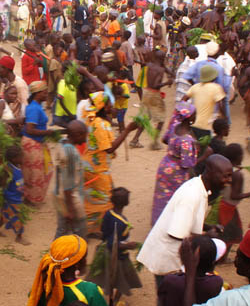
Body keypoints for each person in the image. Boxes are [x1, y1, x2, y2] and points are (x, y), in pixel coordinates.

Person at [138, 155, 233, 306]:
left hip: (175, 253)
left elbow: (188, 222)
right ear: (211, 173)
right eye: (226, 176)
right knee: (167, 296)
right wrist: (207, 237)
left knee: (166, 296)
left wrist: (207, 228)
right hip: (167, 254)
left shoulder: (201, 189)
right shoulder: (192, 195)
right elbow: (176, 233)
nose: (229, 181)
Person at [24, 234, 108, 306]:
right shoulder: (91, 291)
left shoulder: (44, 286)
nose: (86, 261)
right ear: (77, 264)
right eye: (85, 258)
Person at [83, 91, 139, 235]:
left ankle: (92, 228)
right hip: (97, 169)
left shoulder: (95, 120)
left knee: (95, 199)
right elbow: (109, 149)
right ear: (103, 107)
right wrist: (126, 130)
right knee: (105, 200)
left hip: (95, 166)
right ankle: (87, 230)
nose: (113, 107)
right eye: (110, 104)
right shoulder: (99, 124)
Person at [87, 187, 142, 306]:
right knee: (123, 279)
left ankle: (104, 298)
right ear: (126, 202)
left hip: (105, 250)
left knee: (109, 277)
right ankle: (115, 303)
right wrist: (128, 245)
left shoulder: (108, 214)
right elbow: (114, 243)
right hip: (118, 256)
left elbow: (104, 232)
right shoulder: (122, 222)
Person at [151, 103, 199, 225]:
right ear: (190, 118)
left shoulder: (175, 126)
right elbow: (187, 163)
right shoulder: (187, 140)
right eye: (195, 114)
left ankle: (157, 224)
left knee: (161, 198)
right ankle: (170, 226)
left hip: (165, 165)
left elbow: (164, 140)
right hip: (177, 173)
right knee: (176, 201)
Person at [21, 82, 56, 204]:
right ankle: (31, 198)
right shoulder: (34, 108)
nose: (47, 94)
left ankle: (33, 197)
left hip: (37, 142)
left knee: (39, 171)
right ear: (37, 93)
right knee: (34, 173)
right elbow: (30, 129)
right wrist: (47, 133)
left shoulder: (36, 106)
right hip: (32, 143)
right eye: (44, 92)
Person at [53, 119, 87, 238]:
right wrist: (71, 209)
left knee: (63, 230)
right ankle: (56, 255)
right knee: (78, 232)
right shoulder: (71, 153)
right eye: (84, 134)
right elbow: (68, 184)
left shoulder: (61, 142)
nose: (86, 138)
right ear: (77, 135)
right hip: (70, 199)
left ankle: (55, 254)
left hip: (59, 194)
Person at [0, 145, 30, 245]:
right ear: (14, 159)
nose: (23, 158)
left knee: (4, 215)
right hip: (12, 199)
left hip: (16, 196)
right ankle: (19, 237)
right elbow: (3, 185)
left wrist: (24, 186)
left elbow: (17, 180)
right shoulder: (8, 170)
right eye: (21, 156)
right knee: (18, 217)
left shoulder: (17, 167)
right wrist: (7, 196)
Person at [183, 64, 227, 139]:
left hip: (194, 125)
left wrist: (188, 115)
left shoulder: (195, 87)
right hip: (208, 126)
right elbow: (221, 106)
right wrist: (225, 118)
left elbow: (183, 100)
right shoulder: (216, 88)